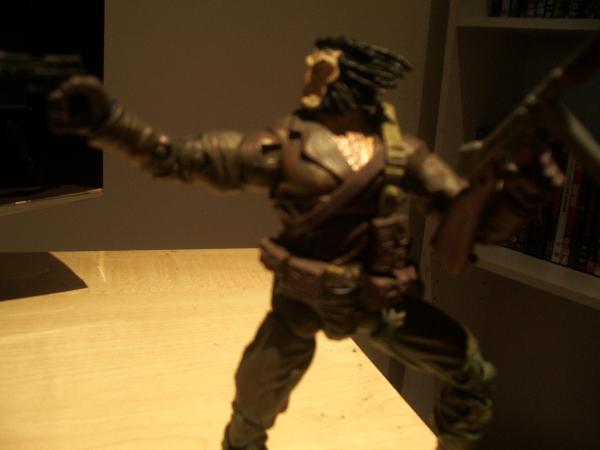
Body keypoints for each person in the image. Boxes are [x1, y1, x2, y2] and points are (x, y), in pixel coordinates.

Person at [48, 36, 563, 450]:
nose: (310, 79)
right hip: (301, 300)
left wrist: (519, 196)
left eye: (322, 69)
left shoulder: (403, 153)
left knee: (470, 372)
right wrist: (111, 123)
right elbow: (179, 159)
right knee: (253, 401)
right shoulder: (283, 146)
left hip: (380, 301)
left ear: (349, 81)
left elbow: (468, 227)